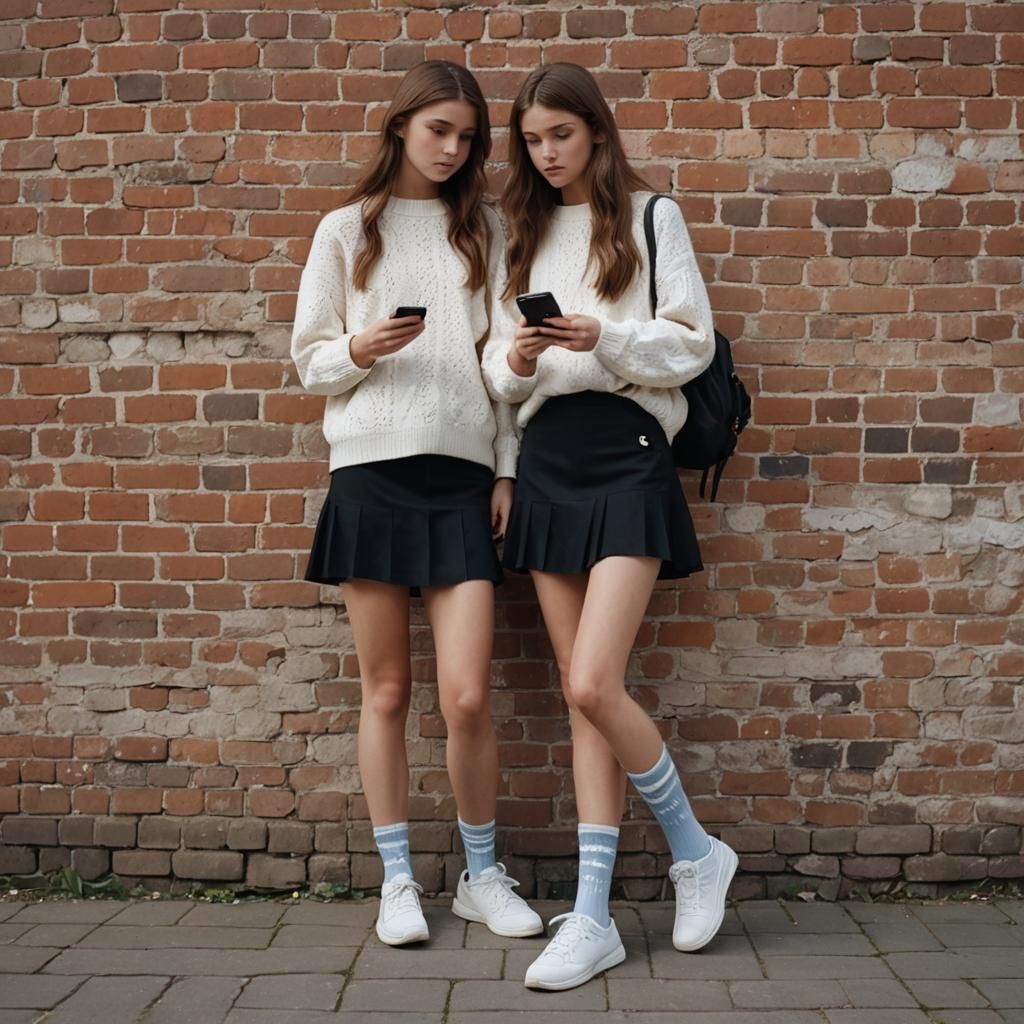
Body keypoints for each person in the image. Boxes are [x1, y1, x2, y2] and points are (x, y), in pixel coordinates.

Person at [483, 62, 737, 991]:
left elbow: (692, 341)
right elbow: (497, 376)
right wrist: (514, 357)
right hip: (547, 461)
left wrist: (608, 338)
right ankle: (591, 918)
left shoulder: (650, 215)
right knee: (579, 692)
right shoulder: (522, 227)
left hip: (629, 452)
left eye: (561, 135)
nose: (547, 154)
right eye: (534, 140)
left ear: (595, 130)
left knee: (595, 682)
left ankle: (695, 850)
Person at [291, 60, 542, 948]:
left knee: (468, 697)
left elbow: (504, 363)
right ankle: (398, 880)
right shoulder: (342, 231)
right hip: (370, 474)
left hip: (464, 479)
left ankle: (481, 875)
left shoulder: (484, 232)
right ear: (400, 125)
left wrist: (507, 466)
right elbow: (308, 359)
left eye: (467, 137)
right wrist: (360, 345)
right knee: (387, 691)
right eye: (439, 129)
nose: (453, 148)